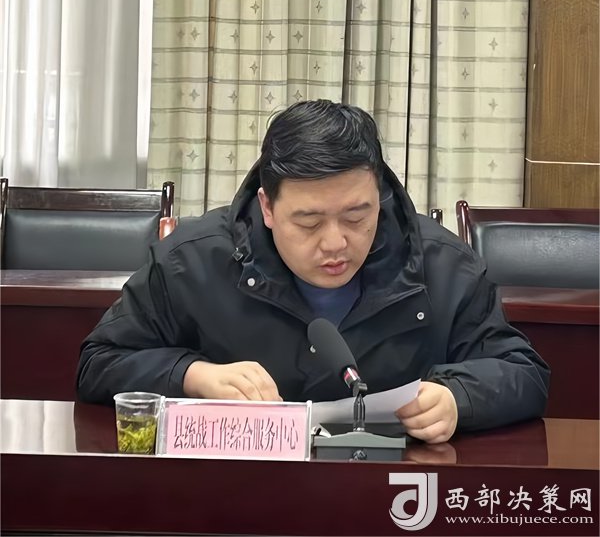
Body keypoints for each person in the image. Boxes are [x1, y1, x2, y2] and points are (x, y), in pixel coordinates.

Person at [77, 99, 549, 444]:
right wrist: (191, 374)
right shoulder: (191, 261)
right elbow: (98, 364)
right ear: (267, 207)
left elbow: (523, 373)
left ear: (379, 197)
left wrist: (457, 399)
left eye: (357, 216)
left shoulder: (442, 265)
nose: (335, 243)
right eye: (309, 222)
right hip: (236, 494)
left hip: (389, 497)